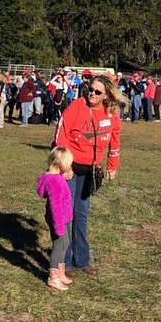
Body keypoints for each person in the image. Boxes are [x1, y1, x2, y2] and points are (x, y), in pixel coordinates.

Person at [54, 73, 124, 276]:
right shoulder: (76, 106)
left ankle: (81, 261)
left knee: (81, 215)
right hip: (70, 169)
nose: (91, 93)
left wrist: (112, 165)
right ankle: (64, 263)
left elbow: (115, 140)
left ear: (106, 95)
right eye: (89, 89)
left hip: (90, 172)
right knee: (66, 215)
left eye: (97, 92)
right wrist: (64, 164)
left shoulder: (111, 113)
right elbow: (61, 134)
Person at [36, 146, 75, 292]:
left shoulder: (57, 178)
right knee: (58, 247)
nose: (70, 167)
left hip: (63, 219)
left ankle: (61, 272)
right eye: (68, 164)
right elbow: (55, 206)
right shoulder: (55, 182)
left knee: (65, 244)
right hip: (58, 221)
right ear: (60, 165)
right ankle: (53, 277)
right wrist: (58, 226)